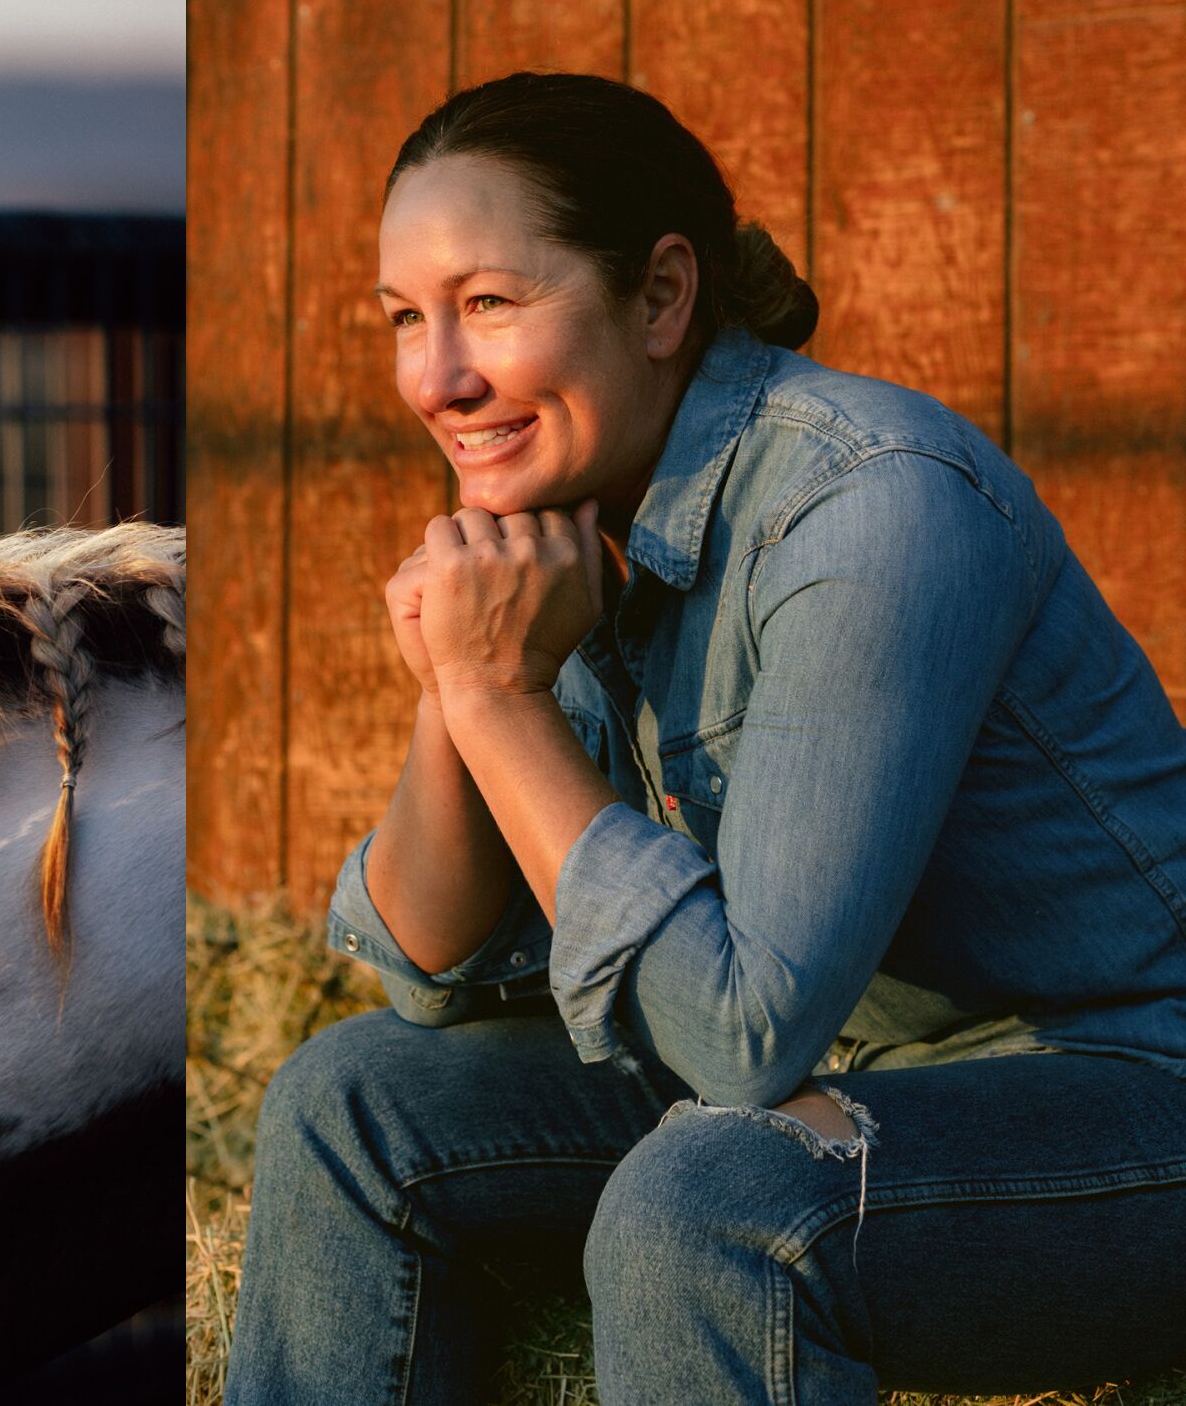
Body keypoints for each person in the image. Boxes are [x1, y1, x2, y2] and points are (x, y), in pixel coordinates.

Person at [224, 71, 1186, 1405]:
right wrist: (465, 682)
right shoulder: (577, 527)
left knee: (714, 1199)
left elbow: (742, 1043)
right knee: (351, 1104)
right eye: (405, 319)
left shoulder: (867, 507)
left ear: (663, 296)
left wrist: (497, 696)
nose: (438, 378)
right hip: (856, 1078)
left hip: (1124, 1096)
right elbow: (431, 980)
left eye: (489, 303)